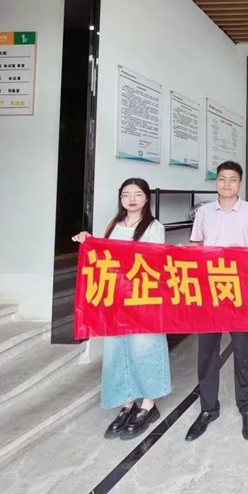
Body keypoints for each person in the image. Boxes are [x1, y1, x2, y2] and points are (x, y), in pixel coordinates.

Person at [72, 178, 170, 440]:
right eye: (126, 194)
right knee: (118, 351)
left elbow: (153, 262)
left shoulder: (154, 227)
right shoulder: (113, 225)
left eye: (137, 194)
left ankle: (148, 404)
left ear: (146, 198)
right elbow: (102, 257)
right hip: (115, 301)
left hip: (143, 299)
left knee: (145, 348)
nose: (132, 199)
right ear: (121, 198)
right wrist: (89, 241)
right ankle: (127, 403)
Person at [185, 161, 248, 442]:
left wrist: (244, 255)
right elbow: (196, 247)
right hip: (209, 290)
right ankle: (208, 408)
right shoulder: (204, 213)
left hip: (239, 291)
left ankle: (247, 407)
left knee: (243, 350)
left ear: (240, 184)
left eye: (232, 179)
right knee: (207, 352)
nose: (226, 184)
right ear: (216, 183)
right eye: (222, 179)